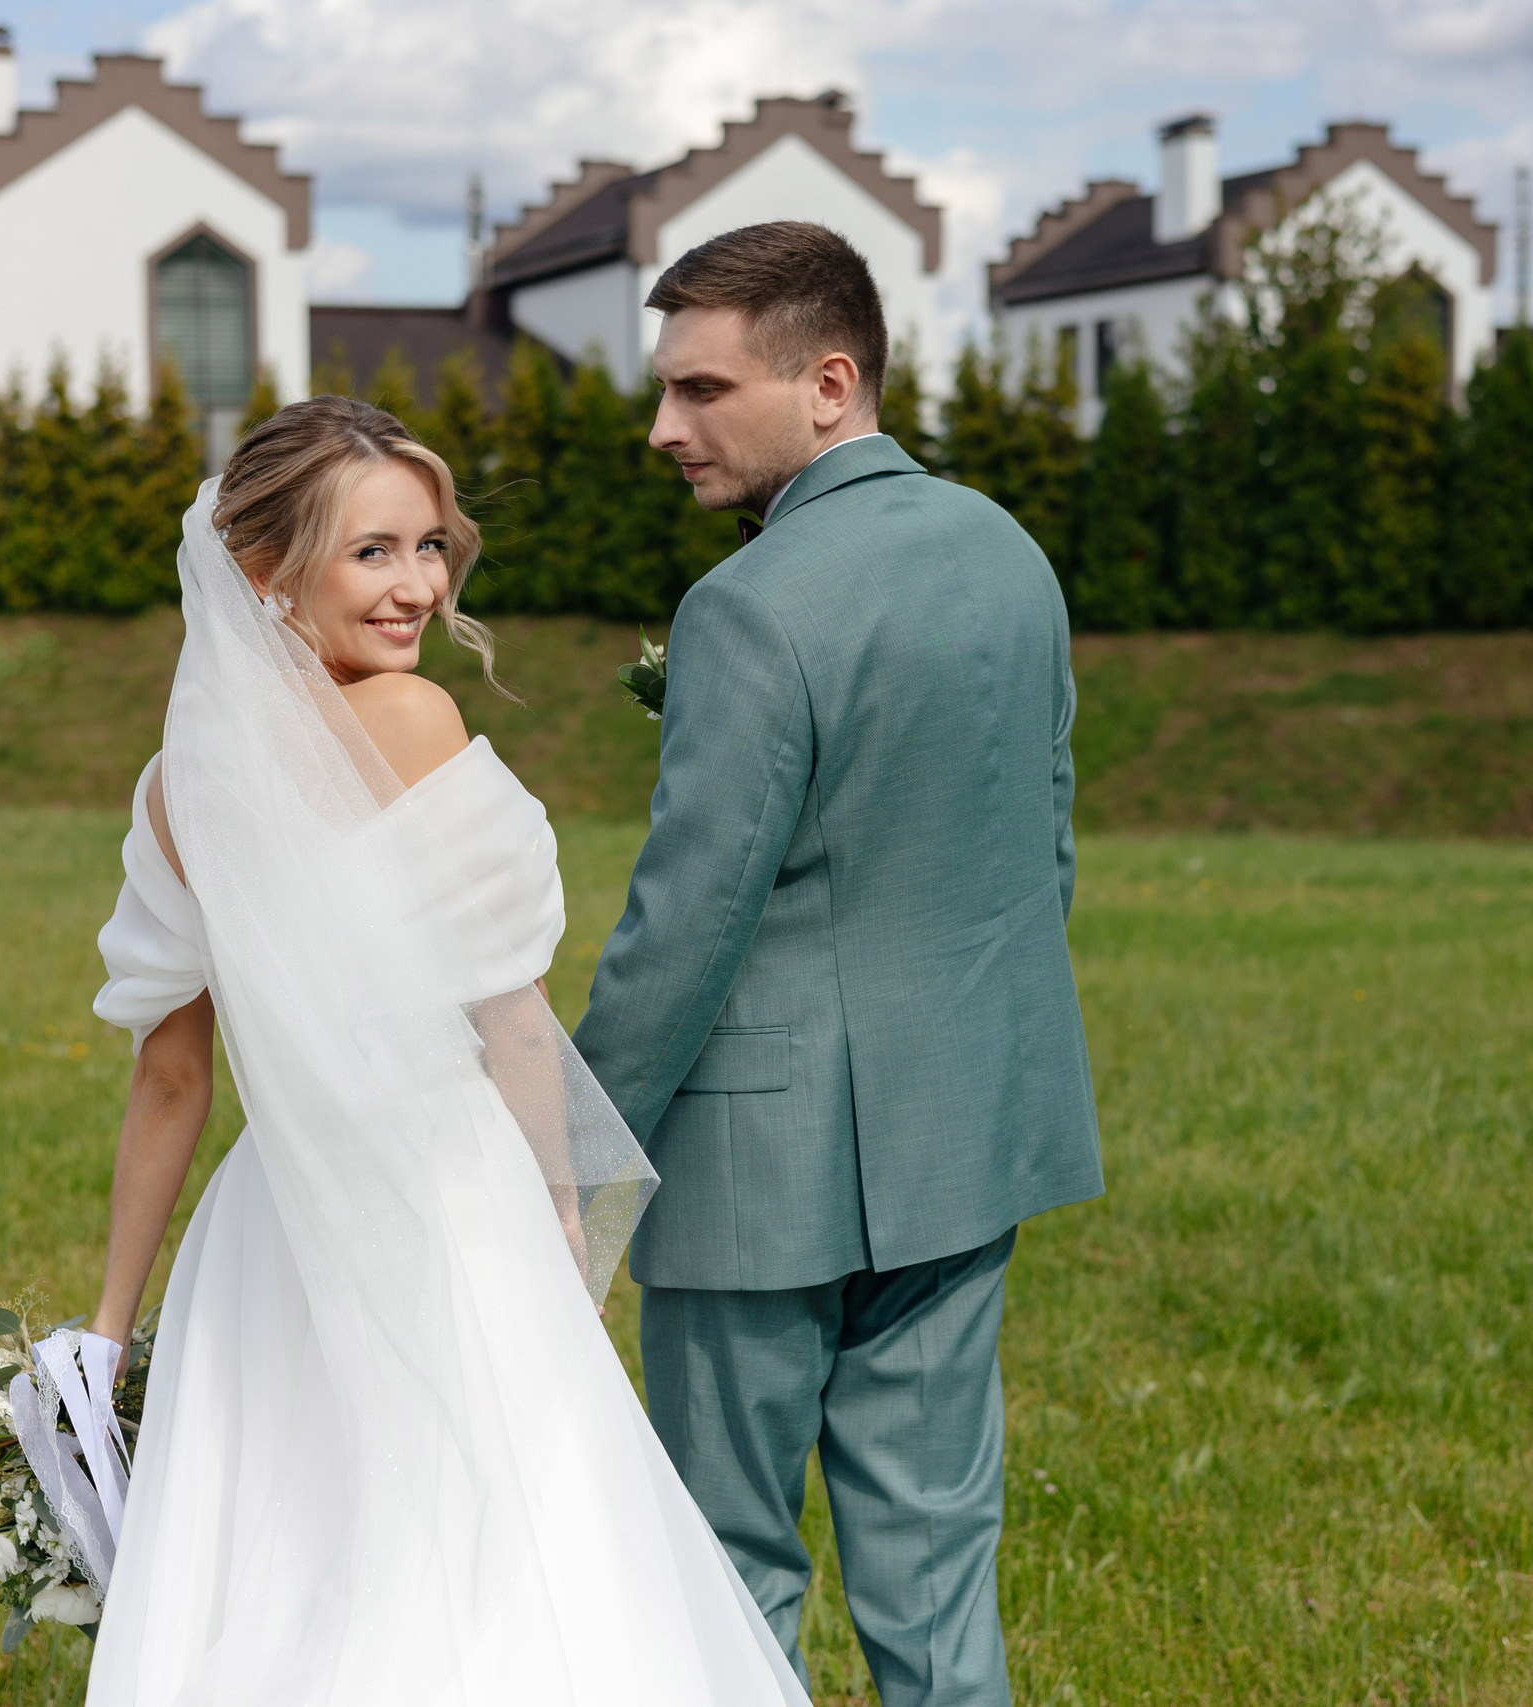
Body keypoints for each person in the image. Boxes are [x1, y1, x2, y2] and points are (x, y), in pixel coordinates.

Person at [77, 397, 807, 1706]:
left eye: (428, 545)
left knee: (291, 1555)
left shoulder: (174, 785)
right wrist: (566, 1229)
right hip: (442, 1194)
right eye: (372, 552)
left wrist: (110, 1331)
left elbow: (173, 1080)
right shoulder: (411, 722)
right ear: (265, 571)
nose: (418, 584)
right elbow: (513, 1022)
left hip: (269, 1227)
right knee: (501, 1556)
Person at [573, 222, 1104, 1707]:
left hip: (760, 1173)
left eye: (699, 390)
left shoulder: (746, 607)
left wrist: (565, 1151)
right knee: (937, 1569)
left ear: (828, 381)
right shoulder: (1009, 553)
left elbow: (686, 927)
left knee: (726, 1568)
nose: (663, 427)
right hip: (967, 1135)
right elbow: (1041, 848)